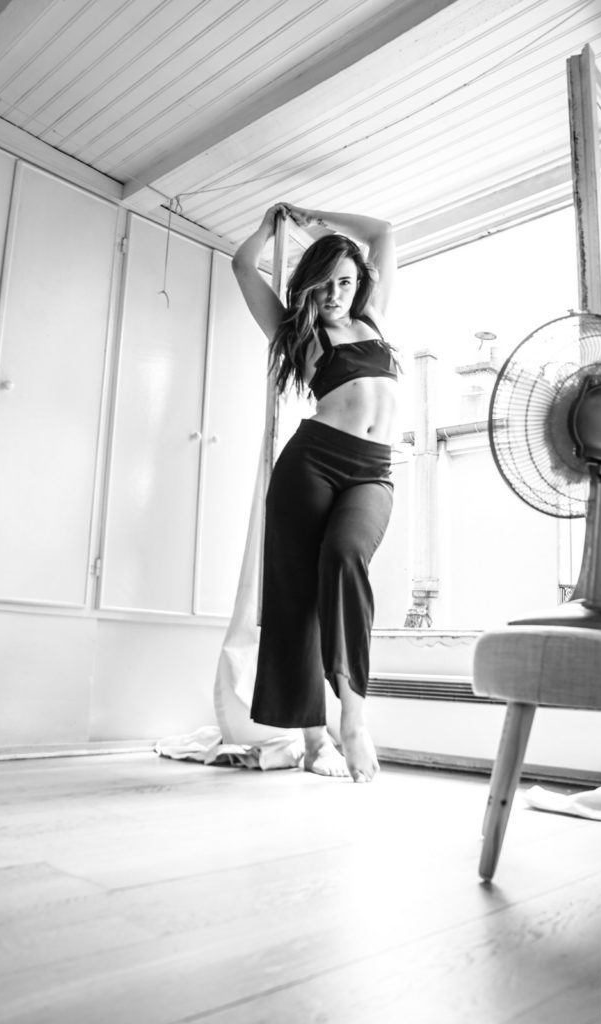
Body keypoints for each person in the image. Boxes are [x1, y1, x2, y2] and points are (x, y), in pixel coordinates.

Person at [231, 202, 399, 783]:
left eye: (344, 283)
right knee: (296, 598)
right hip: (312, 464)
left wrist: (311, 217)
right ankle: (313, 741)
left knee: (346, 555)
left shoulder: (375, 318)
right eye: (324, 284)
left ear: (358, 284)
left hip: (373, 471)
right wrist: (267, 228)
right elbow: (242, 266)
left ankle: (353, 716)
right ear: (309, 287)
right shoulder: (297, 333)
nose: (334, 295)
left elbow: (382, 231)